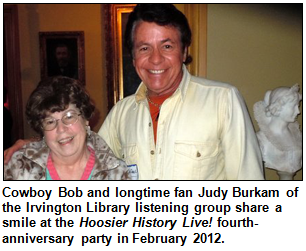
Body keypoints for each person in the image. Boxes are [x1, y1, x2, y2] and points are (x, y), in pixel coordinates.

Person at [5, 4, 264, 180]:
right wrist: (31, 147)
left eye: (167, 46)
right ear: (133, 58)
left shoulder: (223, 101)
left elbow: (250, 189)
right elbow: (82, 150)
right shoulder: (122, 112)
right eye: (143, 48)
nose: (155, 60)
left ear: (184, 51)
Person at [4, 76, 131, 180]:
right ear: (41, 129)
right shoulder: (18, 167)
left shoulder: (117, 173)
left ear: (86, 119)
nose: (61, 129)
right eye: (50, 121)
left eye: (69, 116)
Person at [253, 84, 302, 178]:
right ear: (278, 107)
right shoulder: (261, 140)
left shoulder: (297, 135)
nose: (298, 111)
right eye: (293, 107)